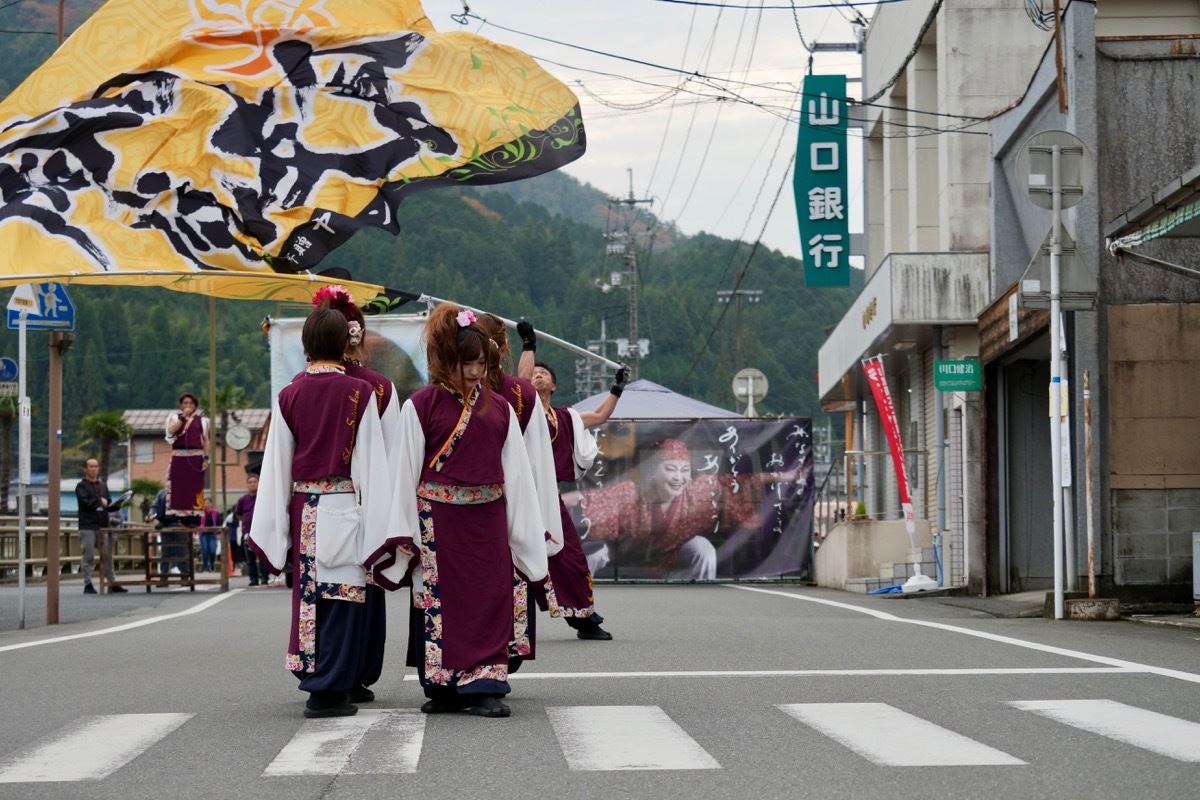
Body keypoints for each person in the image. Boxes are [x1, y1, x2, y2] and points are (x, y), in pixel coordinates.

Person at [373, 304, 548, 719]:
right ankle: (442, 684)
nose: (474, 372)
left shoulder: (501, 408)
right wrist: (403, 532)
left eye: (481, 364)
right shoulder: (421, 405)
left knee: (489, 598)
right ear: (446, 360)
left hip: (488, 519)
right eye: (466, 363)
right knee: (441, 602)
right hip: (437, 523)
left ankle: (485, 683)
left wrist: (523, 532)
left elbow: (517, 476)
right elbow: (404, 474)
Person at [247, 299, 397, 719]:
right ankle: (334, 686)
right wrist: (382, 525)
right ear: (345, 341)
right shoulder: (360, 391)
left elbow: (276, 464)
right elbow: (371, 463)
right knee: (346, 597)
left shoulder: (290, 394)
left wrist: (274, 527)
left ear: (307, 344)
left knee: (310, 596)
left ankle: (318, 680)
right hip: (346, 503)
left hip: (304, 507)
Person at [319, 286, 404, 704]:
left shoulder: (301, 387)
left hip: (315, 505)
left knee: (320, 589)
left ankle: (325, 670)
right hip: (366, 501)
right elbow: (390, 456)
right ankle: (357, 673)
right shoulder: (380, 387)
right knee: (363, 587)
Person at [516, 320, 626, 641]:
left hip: (548, 496)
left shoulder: (566, 417)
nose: (537, 375)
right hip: (518, 495)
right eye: (533, 371)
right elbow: (520, 380)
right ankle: (510, 624)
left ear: (554, 385)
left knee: (570, 556)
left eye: (544, 374)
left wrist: (617, 387)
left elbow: (601, 416)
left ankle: (584, 618)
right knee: (513, 558)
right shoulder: (521, 408)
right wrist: (528, 344)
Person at [476, 312, 563, 672]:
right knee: (513, 564)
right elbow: (537, 459)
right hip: (516, 494)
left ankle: (470, 654)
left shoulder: (445, 392)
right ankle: (509, 646)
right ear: (505, 346)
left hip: (460, 500)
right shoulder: (521, 393)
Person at [74, 458, 126, 594]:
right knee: (88, 555)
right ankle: (88, 583)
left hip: (103, 526)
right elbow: (86, 503)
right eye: (91, 466)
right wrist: (99, 501)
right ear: (85, 469)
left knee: (108, 555)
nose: (94, 469)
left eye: (96, 466)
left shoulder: (103, 485)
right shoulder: (81, 486)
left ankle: (112, 582)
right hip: (87, 525)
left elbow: (107, 502)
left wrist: (110, 504)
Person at [164, 392, 209, 521]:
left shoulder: (203, 421)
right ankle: (174, 515)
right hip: (179, 456)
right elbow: (172, 430)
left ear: (195, 405)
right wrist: (183, 417)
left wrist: (206, 458)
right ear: (181, 405)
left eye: (191, 403)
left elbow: (206, 440)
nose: (188, 405)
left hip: (195, 456)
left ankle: (192, 518)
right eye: (185, 403)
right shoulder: (174, 417)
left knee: (194, 486)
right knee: (176, 486)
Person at [235, 475, 266, 585]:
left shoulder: (264, 497)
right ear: (247, 485)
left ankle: (264, 577)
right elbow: (239, 514)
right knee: (250, 557)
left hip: (262, 531)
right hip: (248, 531)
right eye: (250, 482)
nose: (252, 484)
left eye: (255, 482)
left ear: (259, 483)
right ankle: (253, 578)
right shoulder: (242, 500)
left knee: (263, 556)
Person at [198, 498, 220, 573]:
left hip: (212, 533)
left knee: (212, 550)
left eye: (208, 503)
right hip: (203, 533)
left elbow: (218, 523)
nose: (207, 505)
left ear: (211, 504)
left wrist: (219, 533)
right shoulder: (200, 512)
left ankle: (212, 564)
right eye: (205, 503)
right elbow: (197, 522)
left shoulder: (215, 512)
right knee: (205, 549)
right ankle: (205, 567)